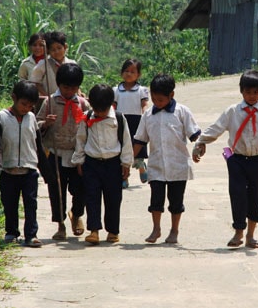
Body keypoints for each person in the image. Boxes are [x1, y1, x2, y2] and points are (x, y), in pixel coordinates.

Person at [192, 70, 258, 249]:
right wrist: (201, 142)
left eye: (255, 92)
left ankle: (251, 235)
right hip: (237, 160)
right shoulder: (232, 111)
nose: (252, 96)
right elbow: (217, 128)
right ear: (241, 91)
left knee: (257, 196)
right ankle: (238, 232)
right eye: (248, 92)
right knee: (237, 195)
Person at [133, 74, 201, 244]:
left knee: (176, 201)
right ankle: (156, 228)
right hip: (156, 166)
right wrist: (127, 159)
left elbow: (194, 134)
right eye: (154, 99)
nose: (157, 102)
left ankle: (174, 230)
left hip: (178, 166)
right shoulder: (148, 115)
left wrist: (199, 148)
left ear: (171, 95)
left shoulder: (182, 112)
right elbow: (140, 139)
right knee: (156, 200)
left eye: (161, 99)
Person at [0, 80, 54, 248]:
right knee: (9, 203)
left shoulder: (31, 118)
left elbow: (38, 145)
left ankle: (31, 235)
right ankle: (11, 232)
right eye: (24, 104)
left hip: (29, 169)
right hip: (8, 170)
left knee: (31, 203)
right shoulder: (2, 117)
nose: (26, 108)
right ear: (14, 98)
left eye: (30, 106)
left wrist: (46, 171)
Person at [72, 84, 133, 245]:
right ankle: (94, 231)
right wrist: (79, 160)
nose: (99, 113)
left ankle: (113, 231)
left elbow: (126, 141)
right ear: (91, 104)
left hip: (113, 164)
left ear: (111, 105)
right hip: (91, 164)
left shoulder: (118, 118)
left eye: (103, 110)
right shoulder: (87, 118)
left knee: (113, 198)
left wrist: (126, 163)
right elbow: (81, 140)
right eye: (96, 109)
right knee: (92, 197)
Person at [36, 63, 90, 240]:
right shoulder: (49, 102)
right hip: (55, 153)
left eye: (73, 88)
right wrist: (46, 124)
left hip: (76, 154)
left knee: (80, 188)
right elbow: (35, 125)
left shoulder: (82, 103)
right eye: (66, 87)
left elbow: (92, 123)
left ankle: (76, 214)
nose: (69, 91)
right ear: (59, 85)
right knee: (57, 190)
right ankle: (60, 225)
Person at [113, 58, 149, 189]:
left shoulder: (142, 90)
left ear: (138, 75)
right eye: (126, 71)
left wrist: (146, 115)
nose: (129, 74)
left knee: (137, 146)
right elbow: (113, 106)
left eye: (132, 71)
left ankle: (141, 168)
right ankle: (124, 178)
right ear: (121, 73)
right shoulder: (116, 90)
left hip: (137, 121)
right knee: (122, 149)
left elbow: (144, 104)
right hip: (120, 121)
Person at [30, 31, 76, 97]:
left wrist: (79, 92)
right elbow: (35, 82)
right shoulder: (43, 64)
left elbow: (75, 83)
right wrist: (46, 96)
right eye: (53, 50)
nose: (57, 52)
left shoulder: (72, 64)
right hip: (49, 102)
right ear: (48, 50)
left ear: (65, 47)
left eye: (59, 48)